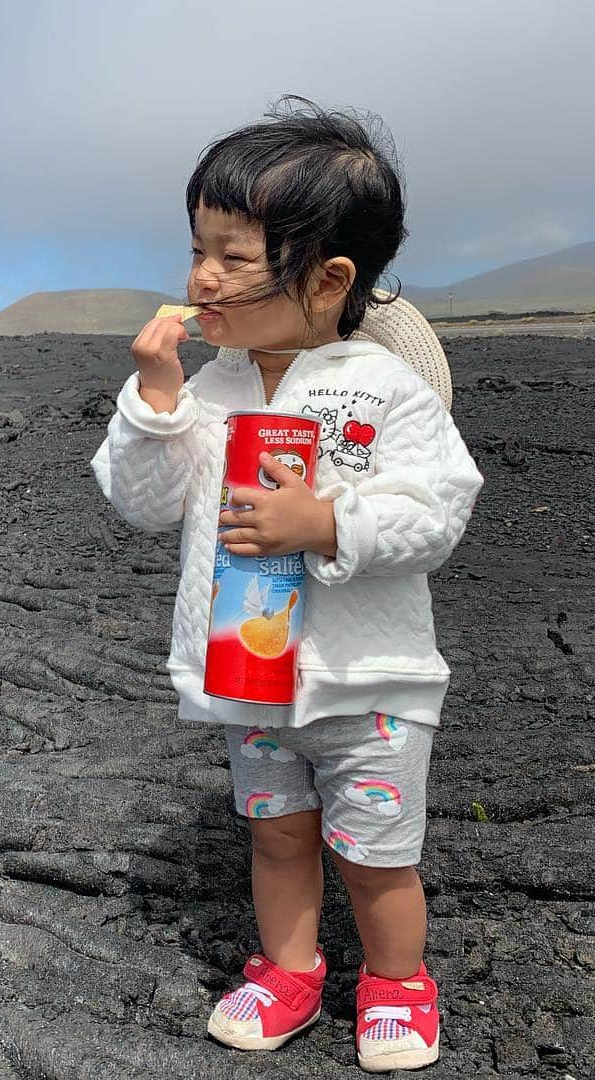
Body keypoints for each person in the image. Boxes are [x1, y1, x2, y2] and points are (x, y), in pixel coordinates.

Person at [90, 96, 484, 1073]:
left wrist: (329, 523)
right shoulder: (209, 390)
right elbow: (142, 502)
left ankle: (396, 982)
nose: (200, 276)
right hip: (250, 679)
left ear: (327, 280)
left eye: (231, 254)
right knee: (278, 840)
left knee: (375, 852)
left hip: (369, 681)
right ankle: (290, 968)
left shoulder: (384, 392)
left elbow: (440, 511)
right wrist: (154, 404)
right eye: (196, 249)